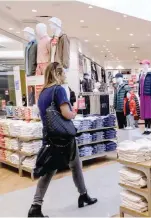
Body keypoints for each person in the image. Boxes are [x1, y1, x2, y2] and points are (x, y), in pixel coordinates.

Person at [28, 62, 97, 217]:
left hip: (50, 137)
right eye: (64, 73)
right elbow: (66, 113)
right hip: (64, 137)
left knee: (49, 170)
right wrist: (74, 113)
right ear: (57, 74)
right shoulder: (58, 90)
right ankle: (83, 194)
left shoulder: (43, 92)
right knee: (75, 165)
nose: (65, 75)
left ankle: (36, 206)